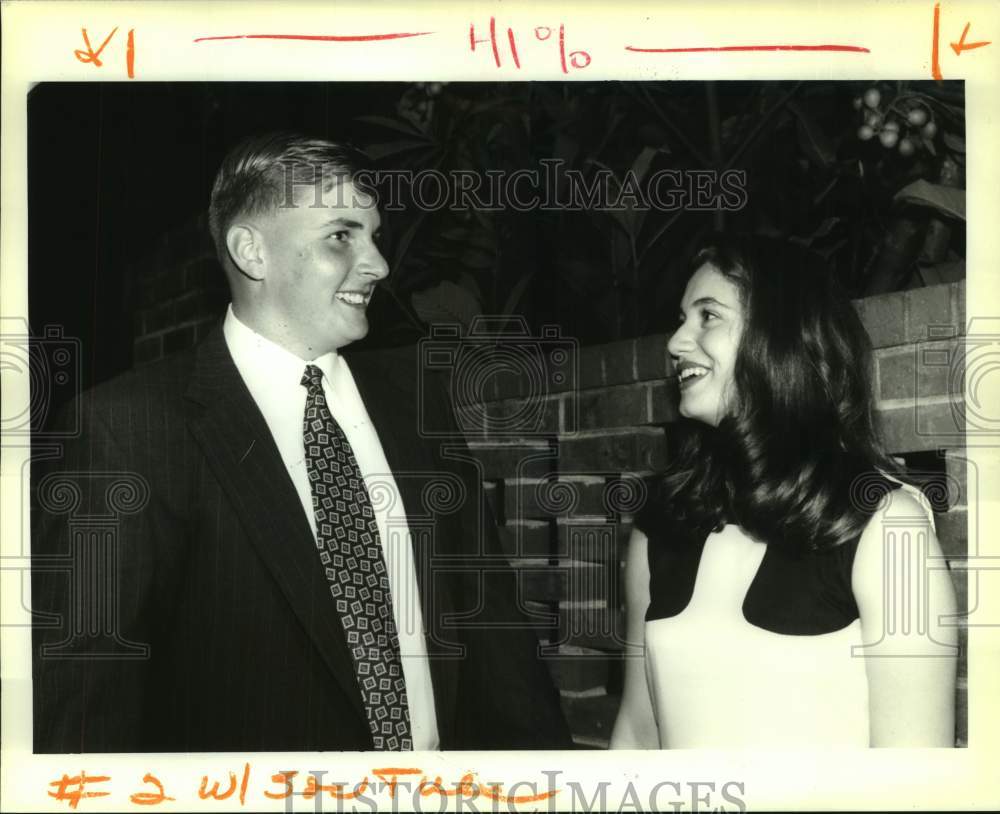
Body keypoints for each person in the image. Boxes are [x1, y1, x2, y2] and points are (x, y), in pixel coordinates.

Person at [31, 132, 570, 752]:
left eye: (374, 235)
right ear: (250, 251)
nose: (378, 264)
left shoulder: (416, 401)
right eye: (341, 235)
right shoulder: (128, 431)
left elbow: (496, 640)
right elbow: (82, 709)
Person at [610, 235, 958, 749]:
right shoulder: (659, 526)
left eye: (708, 316)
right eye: (682, 319)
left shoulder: (889, 528)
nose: (676, 342)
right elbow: (637, 737)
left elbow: (917, 780)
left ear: (779, 336)